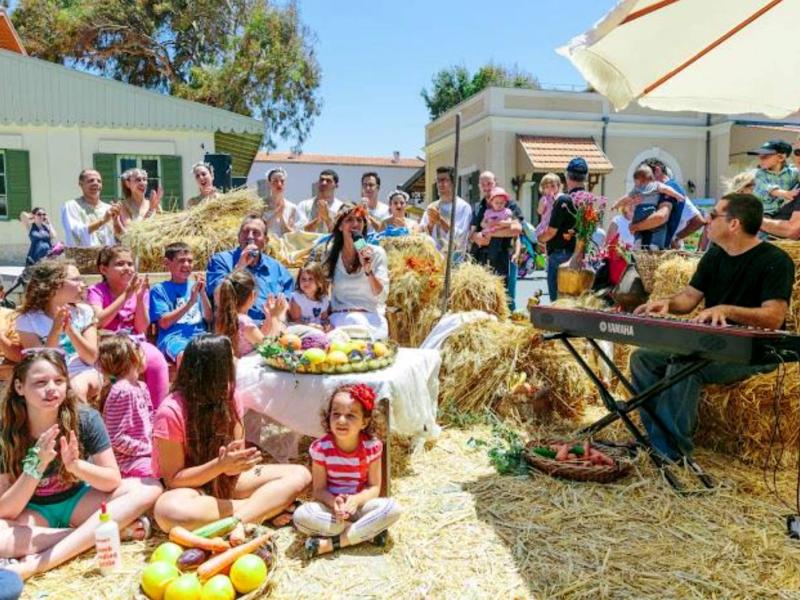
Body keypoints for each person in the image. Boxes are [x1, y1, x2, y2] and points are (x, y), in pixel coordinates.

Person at [631, 194, 794, 460]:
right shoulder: (714, 256)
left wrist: (726, 309)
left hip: (756, 352)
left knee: (684, 364)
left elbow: (774, 317)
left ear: (734, 224)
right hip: (715, 345)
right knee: (643, 359)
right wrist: (665, 304)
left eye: (714, 215)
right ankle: (657, 439)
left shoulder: (775, 260)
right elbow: (688, 299)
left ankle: (671, 453)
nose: (706, 220)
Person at [0, 350, 161, 580]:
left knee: (150, 487)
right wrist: (35, 468)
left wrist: (76, 466)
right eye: (40, 382)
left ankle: (38, 563)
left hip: (78, 502)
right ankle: (90, 536)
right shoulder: (5, 431)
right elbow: (6, 510)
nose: (51, 389)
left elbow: (112, 480)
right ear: (19, 387)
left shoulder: (85, 419)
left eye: (58, 381)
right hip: (34, 512)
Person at [152, 335, 311, 533]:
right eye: (231, 359)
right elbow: (173, 479)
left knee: (301, 474)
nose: (236, 363)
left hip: (228, 481)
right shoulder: (171, 411)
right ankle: (264, 508)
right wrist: (219, 465)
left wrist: (238, 463)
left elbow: (236, 457)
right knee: (168, 511)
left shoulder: (231, 395)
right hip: (192, 490)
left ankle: (239, 520)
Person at [294, 383, 401, 558]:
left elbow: (374, 488)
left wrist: (356, 500)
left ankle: (333, 543)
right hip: (332, 511)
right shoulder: (321, 449)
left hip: (360, 507)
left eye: (351, 415)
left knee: (393, 509)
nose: (341, 420)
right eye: (336, 414)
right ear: (328, 417)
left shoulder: (372, 447)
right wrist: (334, 503)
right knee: (301, 516)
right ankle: (364, 533)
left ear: (364, 422)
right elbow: (319, 490)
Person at [87, 246, 169, 406]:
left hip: (134, 342)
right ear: (104, 269)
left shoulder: (139, 291)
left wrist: (138, 299)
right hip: (107, 343)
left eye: (130, 264)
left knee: (156, 360)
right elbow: (99, 320)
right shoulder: (96, 291)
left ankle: (157, 414)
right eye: (120, 264)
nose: (127, 268)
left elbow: (142, 327)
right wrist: (126, 296)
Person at [15, 261, 100, 402]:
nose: (83, 284)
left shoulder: (84, 312)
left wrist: (70, 330)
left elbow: (91, 357)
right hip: (50, 375)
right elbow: (40, 363)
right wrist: (55, 330)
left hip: (84, 371)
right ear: (53, 285)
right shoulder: (27, 320)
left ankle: (82, 424)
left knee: (75, 389)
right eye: (75, 279)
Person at [206, 214, 294, 324]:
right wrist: (240, 266)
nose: (250, 236)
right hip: (236, 327)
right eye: (245, 231)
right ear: (238, 237)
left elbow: (289, 298)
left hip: (272, 325)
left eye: (256, 233)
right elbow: (217, 296)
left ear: (266, 240)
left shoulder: (276, 268)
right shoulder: (221, 260)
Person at [97, 334, 159, 483]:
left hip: (146, 452)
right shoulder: (123, 391)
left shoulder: (141, 386)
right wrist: (148, 449)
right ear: (132, 357)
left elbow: (150, 419)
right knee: (159, 474)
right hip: (128, 461)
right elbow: (116, 438)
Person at [325, 204, 390, 339]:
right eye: (349, 220)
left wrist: (368, 270)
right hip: (339, 319)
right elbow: (324, 293)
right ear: (340, 226)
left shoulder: (377, 253)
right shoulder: (331, 254)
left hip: (369, 320)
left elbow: (382, 296)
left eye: (359, 220)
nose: (355, 224)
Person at [150, 242, 212, 365]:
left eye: (190, 261)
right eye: (181, 261)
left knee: (223, 350)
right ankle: (186, 384)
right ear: (167, 263)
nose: (186, 265)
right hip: (174, 338)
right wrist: (190, 303)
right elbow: (164, 323)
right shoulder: (160, 289)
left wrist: (203, 293)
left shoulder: (195, 286)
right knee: (186, 355)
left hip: (200, 335)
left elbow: (209, 318)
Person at [537, 157, 586, 302]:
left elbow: (551, 232)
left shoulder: (564, 200)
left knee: (558, 301)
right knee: (575, 300)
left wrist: (539, 239)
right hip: (581, 255)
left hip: (561, 255)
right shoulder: (588, 199)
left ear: (566, 176)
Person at [469, 179, 523, 307]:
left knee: (504, 294)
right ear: (479, 186)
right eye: (482, 184)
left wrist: (492, 232)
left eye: (489, 183)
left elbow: (517, 229)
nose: (486, 187)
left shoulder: (510, 206)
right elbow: (472, 232)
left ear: (495, 184)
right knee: (482, 293)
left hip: (502, 254)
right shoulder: (478, 207)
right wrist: (476, 237)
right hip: (480, 255)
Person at [214, 270, 288, 357]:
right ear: (252, 295)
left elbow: (257, 339)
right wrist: (276, 317)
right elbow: (270, 350)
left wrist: (269, 318)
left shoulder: (225, 316)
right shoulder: (244, 321)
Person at [614, 164, 685, 249]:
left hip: (638, 214)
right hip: (649, 212)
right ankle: (655, 243)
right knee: (660, 228)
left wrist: (617, 205)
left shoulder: (637, 188)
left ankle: (638, 240)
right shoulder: (657, 186)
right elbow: (662, 217)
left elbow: (660, 217)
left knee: (640, 230)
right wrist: (678, 196)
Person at [421, 166, 473, 261]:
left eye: (444, 180)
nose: (440, 184)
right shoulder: (431, 207)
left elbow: (461, 236)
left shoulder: (463, 207)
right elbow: (422, 235)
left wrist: (440, 220)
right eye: (438, 180)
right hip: (433, 262)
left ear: (453, 183)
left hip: (454, 262)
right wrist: (431, 225)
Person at [61, 169, 120, 247]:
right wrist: (103, 220)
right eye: (91, 181)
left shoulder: (108, 208)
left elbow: (117, 238)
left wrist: (116, 221)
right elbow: (75, 232)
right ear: (81, 184)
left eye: (99, 181)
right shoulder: (71, 206)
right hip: (83, 257)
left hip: (107, 257)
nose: (95, 183)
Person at [748, 140, 799, 217]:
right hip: (763, 211)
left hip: (781, 211)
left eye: (765, 157)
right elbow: (766, 187)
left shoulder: (792, 172)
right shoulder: (759, 174)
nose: (760, 160)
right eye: (759, 157)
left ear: (781, 158)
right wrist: (785, 193)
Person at [116, 168, 162, 237]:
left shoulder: (155, 205)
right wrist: (150, 210)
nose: (142, 183)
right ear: (127, 184)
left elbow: (162, 228)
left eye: (144, 179)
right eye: (138, 180)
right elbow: (132, 232)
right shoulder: (122, 206)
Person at [288, 262, 330, 328]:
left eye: (310, 279)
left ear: (319, 282)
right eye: (303, 279)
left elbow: (324, 318)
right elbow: (295, 320)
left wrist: (326, 325)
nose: (306, 282)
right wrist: (310, 326)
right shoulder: (297, 298)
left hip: (318, 328)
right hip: (301, 328)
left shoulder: (323, 299)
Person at [263, 168, 303, 237]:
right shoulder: (260, 205)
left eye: (282, 181)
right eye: (275, 181)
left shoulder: (292, 207)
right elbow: (259, 229)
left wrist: (281, 217)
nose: (279, 184)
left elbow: (291, 234)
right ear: (269, 183)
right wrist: (275, 213)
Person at [534, 173, 562, 240]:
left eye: (552, 186)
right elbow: (540, 212)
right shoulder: (544, 199)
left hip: (556, 226)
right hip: (545, 225)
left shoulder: (560, 197)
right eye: (546, 187)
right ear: (543, 189)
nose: (550, 189)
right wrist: (542, 205)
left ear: (558, 187)